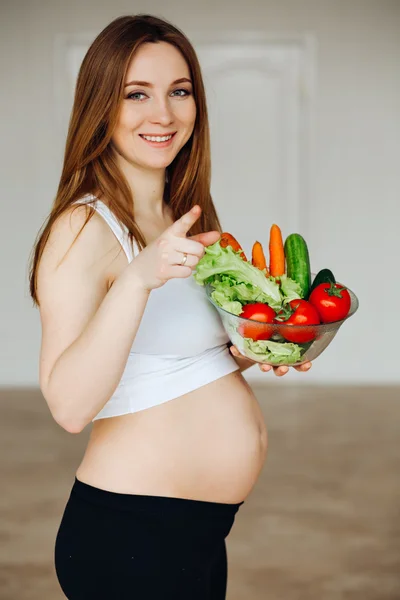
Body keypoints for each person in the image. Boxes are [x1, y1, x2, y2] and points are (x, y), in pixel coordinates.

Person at [28, 14, 312, 599]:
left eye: (179, 92)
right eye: (137, 94)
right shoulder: (83, 227)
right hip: (131, 534)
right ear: (100, 106)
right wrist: (137, 279)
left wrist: (262, 349)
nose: (163, 114)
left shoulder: (185, 215)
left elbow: (175, 366)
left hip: (199, 533)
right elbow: (69, 405)